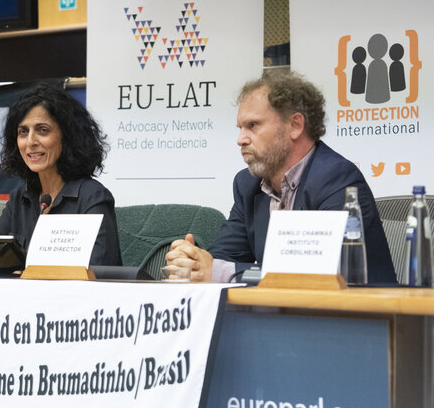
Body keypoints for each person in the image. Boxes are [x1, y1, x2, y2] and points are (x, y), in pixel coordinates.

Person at [166, 70, 396, 284]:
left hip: (362, 320)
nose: (241, 139)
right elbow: (223, 257)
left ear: (295, 125)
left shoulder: (337, 179)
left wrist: (218, 271)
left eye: (252, 125)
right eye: (240, 127)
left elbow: (314, 275)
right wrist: (194, 262)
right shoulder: (248, 185)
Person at [0, 82, 122, 266]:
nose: (30, 142)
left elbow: (101, 273)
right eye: (23, 132)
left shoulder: (92, 197)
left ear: (67, 136)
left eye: (42, 130)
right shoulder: (20, 197)